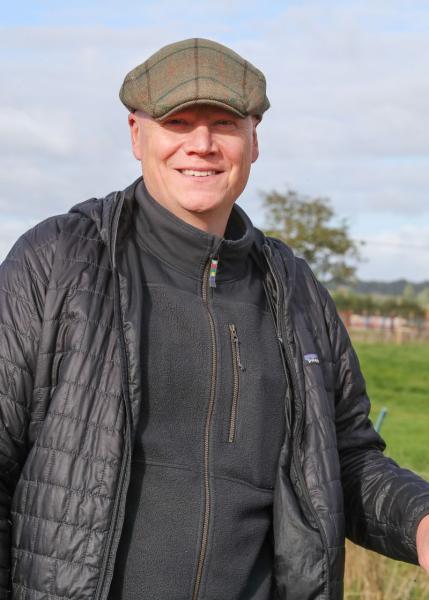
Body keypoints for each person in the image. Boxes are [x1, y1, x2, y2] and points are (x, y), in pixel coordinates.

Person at [0, 37, 428, 600]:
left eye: (224, 123)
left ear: (254, 141)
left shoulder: (298, 292)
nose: (200, 144)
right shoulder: (57, 262)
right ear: (137, 134)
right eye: (178, 121)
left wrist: (420, 521)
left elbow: (343, 460)